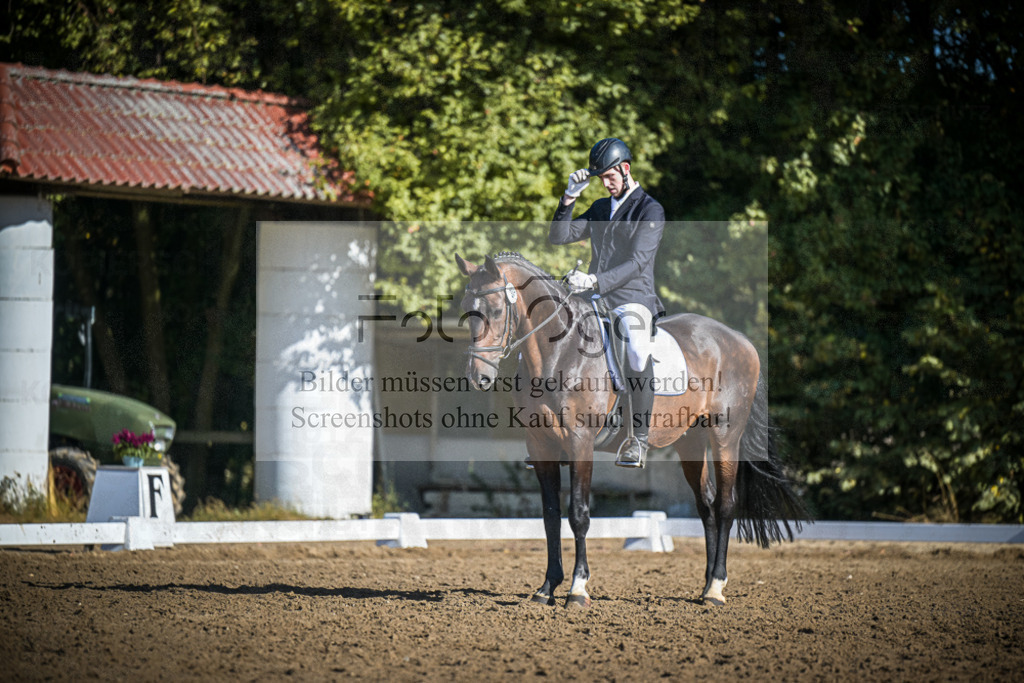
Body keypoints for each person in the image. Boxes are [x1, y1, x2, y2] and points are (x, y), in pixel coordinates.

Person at [550, 137, 666, 468]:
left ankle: (638, 440)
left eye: (609, 177)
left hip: (632, 297)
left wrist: (596, 280)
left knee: (636, 349)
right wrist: (569, 196)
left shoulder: (649, 209)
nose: (605, 183)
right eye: (600, 178)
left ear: (625, 169)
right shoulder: (602, 207)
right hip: (592, 297)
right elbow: (559, 236)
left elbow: (638, 263)